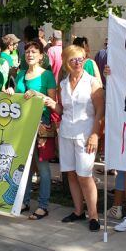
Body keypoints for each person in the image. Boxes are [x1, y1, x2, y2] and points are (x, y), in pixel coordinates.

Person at [44, 44, 104, 231]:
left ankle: (93, 215)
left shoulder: (92, 82)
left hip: (85, 134)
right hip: (66, 133)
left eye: (81, 59)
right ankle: (78, 211)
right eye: (73, 60)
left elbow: (100, 111)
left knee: (84, 175)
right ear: (66, 63)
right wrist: (52, 104)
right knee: (70, 173)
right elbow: (63, 110)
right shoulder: (63, 84)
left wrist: (95, 134)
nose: (78, 63)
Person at [6, 41, 57, 220]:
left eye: (34, 51)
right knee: (24, 165)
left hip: (41, 124)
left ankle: (43, 205)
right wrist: (11, 91)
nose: (30, 54)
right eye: (27, 51)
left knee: (42, 167)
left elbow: (53, 103)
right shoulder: (20, 74)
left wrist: (38, 95)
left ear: (41, 55)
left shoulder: (47, 75)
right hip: (22, 123)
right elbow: (18, 97)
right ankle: (24, 200)